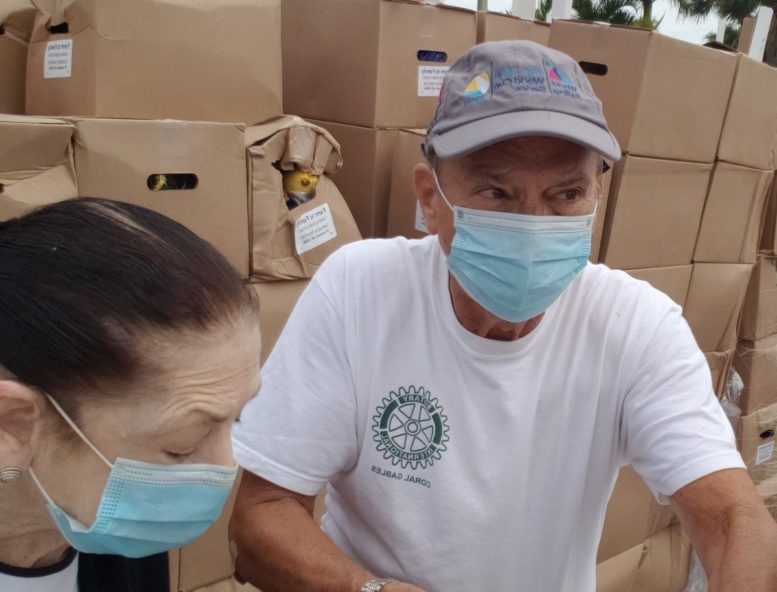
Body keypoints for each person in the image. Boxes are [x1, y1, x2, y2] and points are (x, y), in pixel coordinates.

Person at [229, 41, 777, 592]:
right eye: (496, 191)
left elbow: (733, 521)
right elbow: (261, 516)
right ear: (430, 199)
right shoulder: (361, 292)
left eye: (567, 194)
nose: (533, 224)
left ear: (597, 195)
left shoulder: (634, 326)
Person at [0, 198, 261, 592]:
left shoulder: (109, 535)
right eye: (182, 447)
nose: (227, 467)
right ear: (12, 424)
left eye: (238, 418)